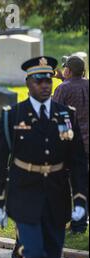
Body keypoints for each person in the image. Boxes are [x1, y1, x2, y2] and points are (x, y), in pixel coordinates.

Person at [0, 56, 88, 258]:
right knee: (33, 255)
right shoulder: (12, 115)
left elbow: (77, 161)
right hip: (25, 196)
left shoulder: (66, 115)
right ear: (28, 83)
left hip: (56, 196)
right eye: (39, 80)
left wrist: (80, 199)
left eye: (48, 79)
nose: (45, 84)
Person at [53, 55, 89, 234]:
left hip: (70, 144)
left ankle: (67, 221)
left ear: (68, 70)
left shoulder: (62, 89)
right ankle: (80, 225)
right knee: (82, 185)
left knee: (65, 185)